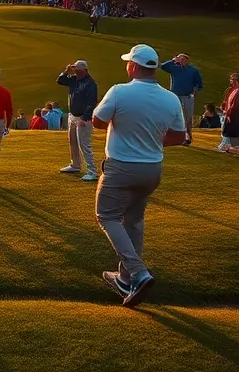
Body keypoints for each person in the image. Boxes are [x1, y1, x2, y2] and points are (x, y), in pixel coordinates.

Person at [92, 44, 186, 307]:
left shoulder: (120, 91)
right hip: (152, 168)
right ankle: (124, 278)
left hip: (121, 166)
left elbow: (98, 121)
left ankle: (138, 272)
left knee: (107, 216)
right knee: (133, 220)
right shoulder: (171, 98)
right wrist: (151, 141)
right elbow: (179, 137)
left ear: (133, 67)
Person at [57, 60, 99, 181]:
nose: (75, 71)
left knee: (84, 145)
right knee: (73, 142)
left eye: (77, 69)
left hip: (82, 118)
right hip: (72, 116)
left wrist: (85, 118)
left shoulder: (90, 83)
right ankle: (75, 165)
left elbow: (91, 103)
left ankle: (92, 171)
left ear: (84, 70)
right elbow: (60, 81)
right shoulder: (73, 79)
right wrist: (66, 71)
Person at [159, 53, 203, 146]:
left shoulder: (193, 70)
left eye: (182, 59)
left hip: (188, 96)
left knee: (188, 117)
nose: (181, 60)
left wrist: (195, 90)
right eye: (179, 59)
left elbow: (199, 83)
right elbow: (163, 66)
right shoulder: (175, 68)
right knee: (176, 116)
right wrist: (173, 60)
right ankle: (180, 136)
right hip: (175, 97)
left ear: (187, 60)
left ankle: (189, 135)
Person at [219, 74, 239, 154]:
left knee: (232, 133)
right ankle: (229, 147)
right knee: (230, 133)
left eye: (232, 79)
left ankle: (231, 148)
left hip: (236, 116)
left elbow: (236, 105)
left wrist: (229, 113)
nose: (230, 81)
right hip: (232, 115)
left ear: (236, 81)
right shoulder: (234, 90)